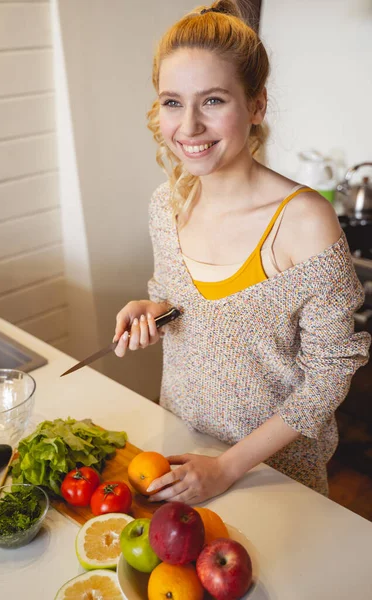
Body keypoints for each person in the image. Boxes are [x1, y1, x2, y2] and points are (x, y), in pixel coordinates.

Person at [112, 0, 371, 503]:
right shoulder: (168, 203)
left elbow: (330, 375)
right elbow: (175, 297)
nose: (188, 126)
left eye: (212, 101)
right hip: (183, 449)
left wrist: (228, 467)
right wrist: (152, 310)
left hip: (274, 475)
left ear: (256, 105)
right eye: (172, 102)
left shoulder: (305, 222)